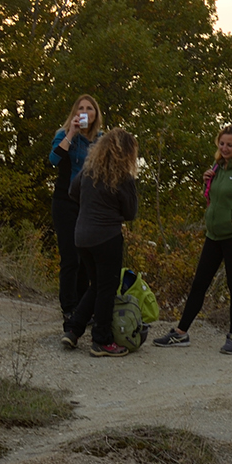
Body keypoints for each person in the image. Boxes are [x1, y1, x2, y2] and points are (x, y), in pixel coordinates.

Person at [154, 122, 232, 355]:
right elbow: (215, 199)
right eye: (222, 143)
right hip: (214, 235)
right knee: (200, 283)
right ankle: (181, 333)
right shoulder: (218, 166)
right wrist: (207, 182)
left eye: (230, 144)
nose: (225, 147)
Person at [67, 127, 140, 358]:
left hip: (81, 236)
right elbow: (130, 213)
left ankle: (73, 329)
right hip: (106, 237)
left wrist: (90, 207)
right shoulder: (123, 178)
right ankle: (101, 340)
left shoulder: (88, 172)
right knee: (107, 288)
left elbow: (72, 192)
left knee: (96, 285)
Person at [47, 94, 103, 327]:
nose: (85, 112)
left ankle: (82, 307)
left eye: (90, 108)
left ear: (96, 115)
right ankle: (68, 308)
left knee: (85, 258)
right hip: (65, 202)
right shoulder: (63, 136)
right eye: (80, 108)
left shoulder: (100, 141)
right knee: (70, 257)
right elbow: (53, 160)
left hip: (87, 205)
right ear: (74, 113)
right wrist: (70, 133)